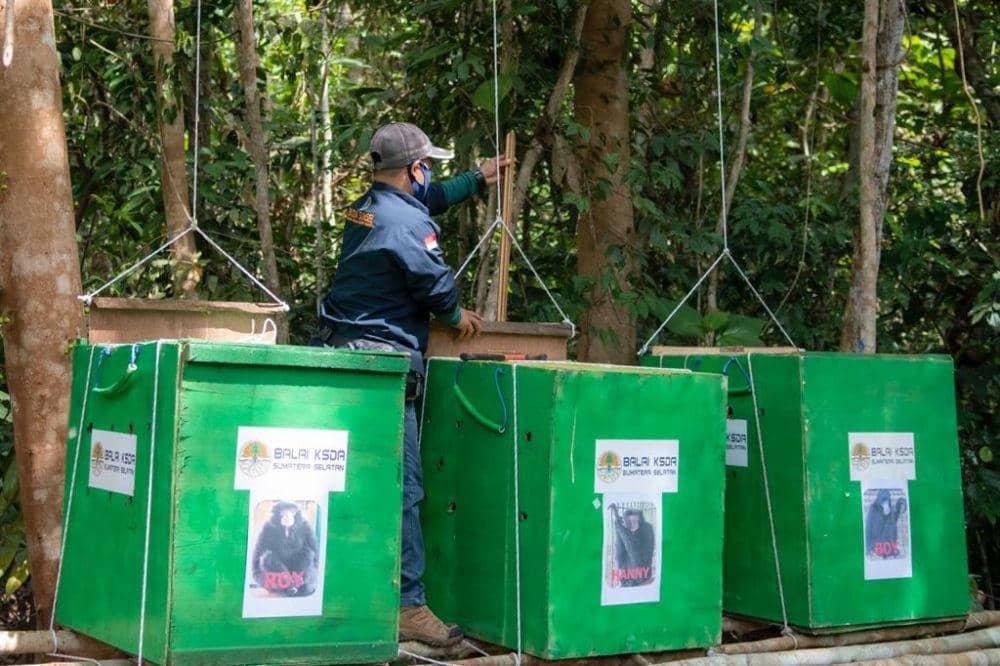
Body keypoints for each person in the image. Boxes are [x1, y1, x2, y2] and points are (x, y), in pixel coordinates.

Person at [312, 122, 510, 646]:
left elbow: (424, 203)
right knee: (404, 487)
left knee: (355, 480)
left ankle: (346, 590)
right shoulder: (404, 224)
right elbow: (434, 285)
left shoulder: (365, 208)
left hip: (346, 352)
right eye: (428, 168)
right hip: (383, 363)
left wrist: (479, 179)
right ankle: (408, 606)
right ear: (414, 169)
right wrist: (454, 314)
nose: (430, 177)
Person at [608, 503, 655, 587]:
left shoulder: (647, 529)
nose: (633, 525)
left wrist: (619, 527)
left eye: (635, 521)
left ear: (640, 520)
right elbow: (619, 551)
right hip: (629, 577)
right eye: (630, 522)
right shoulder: (628, 532)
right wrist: (617, 519)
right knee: (620, 551)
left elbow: (634, 552)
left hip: (641, 575)